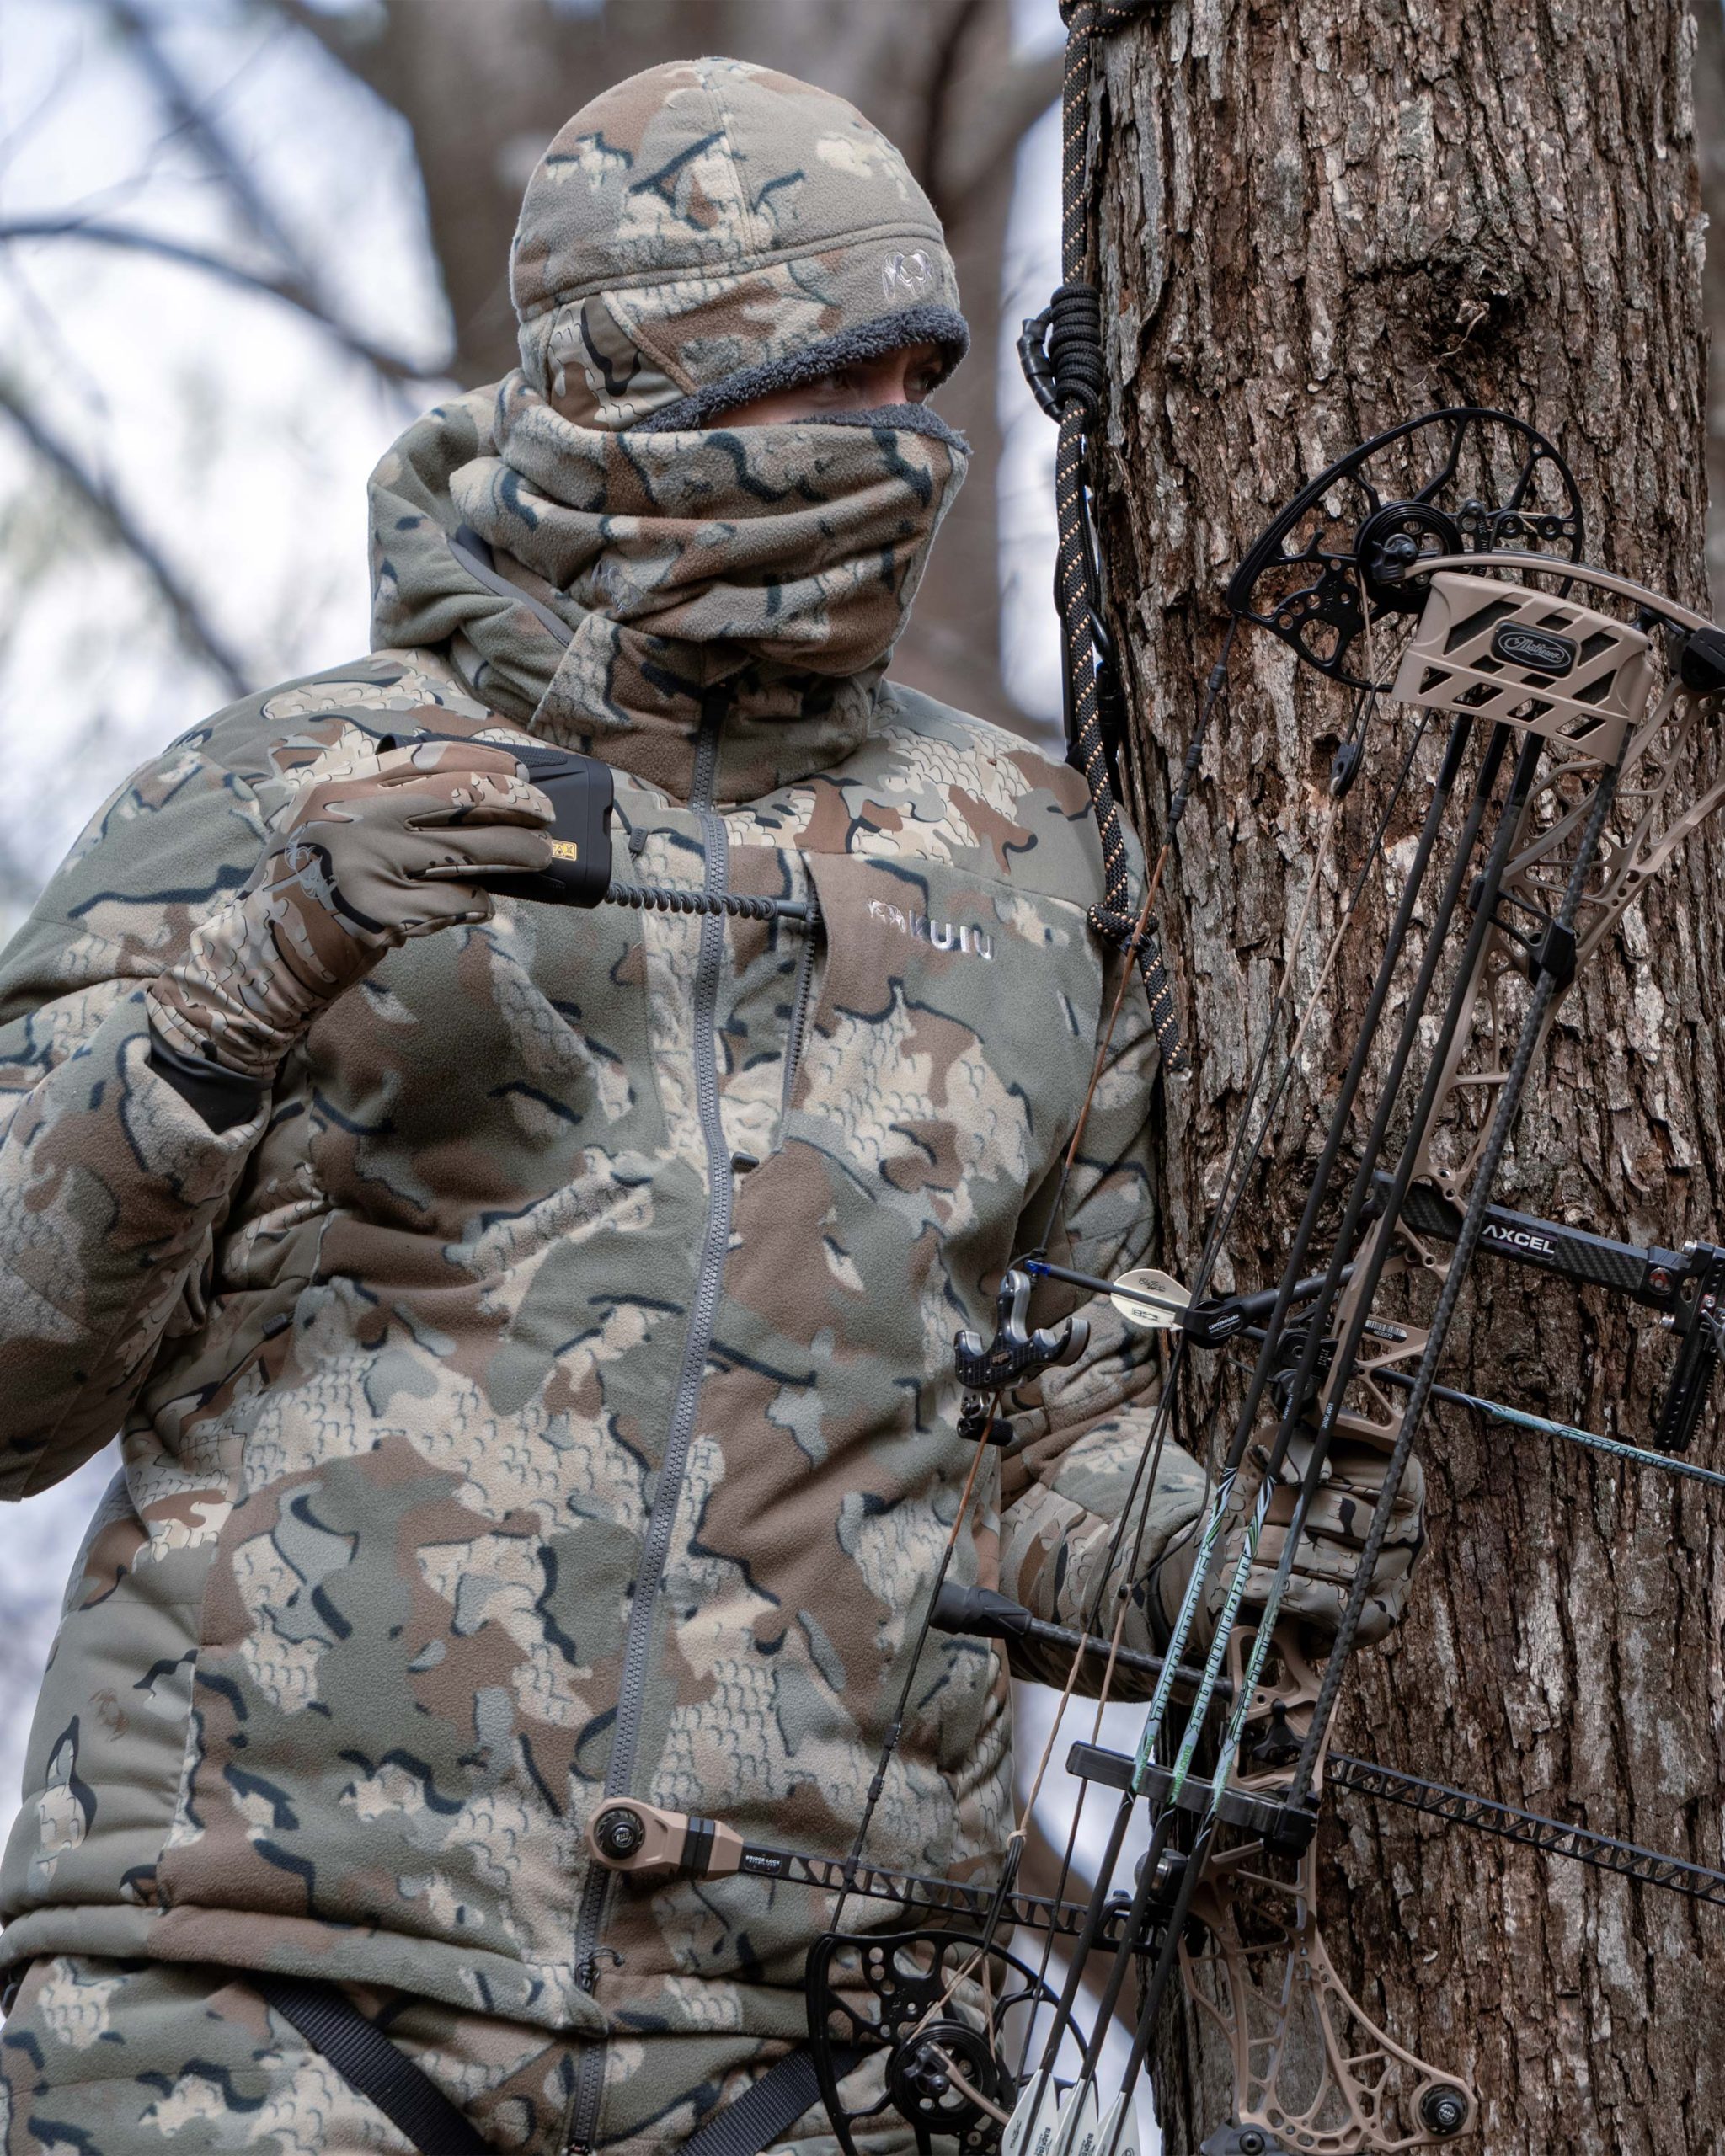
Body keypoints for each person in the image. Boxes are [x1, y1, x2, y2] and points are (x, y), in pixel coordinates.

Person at [0, 56, 1423, 2156]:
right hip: (239, 1995)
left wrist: (1223, 1574)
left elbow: (1043, 1447)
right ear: (634, 371)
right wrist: (251, 979)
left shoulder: (1028, 858)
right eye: (828, 376)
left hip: (816, 2046)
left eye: (925, 380)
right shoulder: (273, 787)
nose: (898, 439)